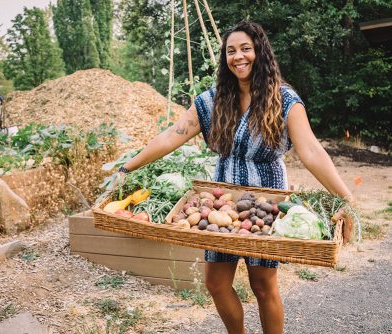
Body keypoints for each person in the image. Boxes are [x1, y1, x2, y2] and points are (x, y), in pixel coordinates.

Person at [115, 20, 354, 334]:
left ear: (259, 52)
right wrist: (126, 167)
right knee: (215, 282)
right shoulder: (213, 100)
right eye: (231, 51)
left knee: (263, 284)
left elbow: (311, 152)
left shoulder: (284, 101)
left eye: (245, 49)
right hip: (222, 197)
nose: (238, 56)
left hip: (267, 196)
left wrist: (347, 199)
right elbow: (171, 136)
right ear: (224, 58)